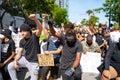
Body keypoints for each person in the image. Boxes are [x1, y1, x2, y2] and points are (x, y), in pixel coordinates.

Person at [7, 14, 42, 80]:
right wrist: (15, 61)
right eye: (21, 32)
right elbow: (19, 53)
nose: (22, 33)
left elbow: (40, 28)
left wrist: (35, 19)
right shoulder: (22, 41)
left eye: (24, 31)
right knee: (10, 66)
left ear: (28, 31)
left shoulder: (34, 37)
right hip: (25, 59)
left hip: (34, 63)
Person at [40, 14, 62, 80]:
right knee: (43, 73)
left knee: (53, 77)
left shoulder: (61, 40)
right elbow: (44, 28)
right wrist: (43, 19)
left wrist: (49, 52)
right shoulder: (49, 37)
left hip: (56, 61)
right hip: (48, 59)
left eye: (53, 32)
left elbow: (58, 51)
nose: (52, 33)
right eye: (51, 32)